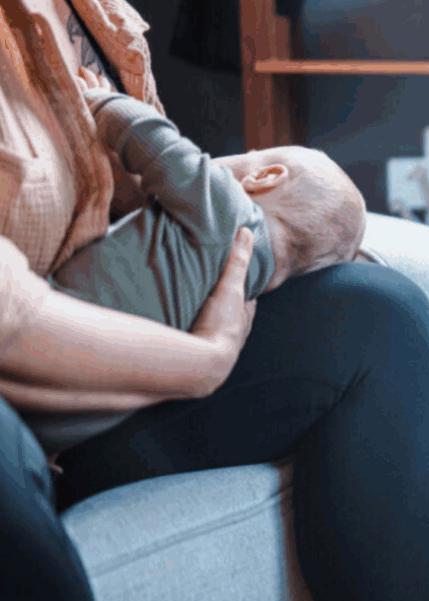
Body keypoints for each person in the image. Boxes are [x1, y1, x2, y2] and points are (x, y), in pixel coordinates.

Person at [0, 2, 429, 601]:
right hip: (25, 383)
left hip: (115, 380)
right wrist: (198, 362)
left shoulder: (94, 14)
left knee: (382, 314)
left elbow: (159, 179)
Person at [25, 69, 367, 453]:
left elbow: (160, 147)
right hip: (79, 418)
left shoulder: (230, 210)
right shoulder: (244, 295)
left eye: (252, 156)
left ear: (264, 177)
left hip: (51, 341)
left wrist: (101, 102)